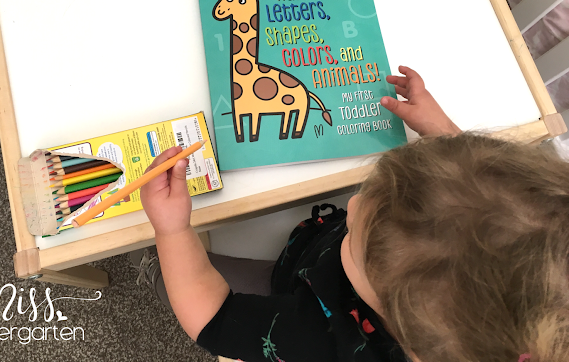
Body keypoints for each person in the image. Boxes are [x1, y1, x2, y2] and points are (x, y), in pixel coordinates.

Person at [137, 66, 569, 362]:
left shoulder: (322, 339)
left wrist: (172, 230)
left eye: (358, 235)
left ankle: (153, 270)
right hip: (316, 253)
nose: (355, 203)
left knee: (168, 269)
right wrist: (445, 139)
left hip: (292, 286)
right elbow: (484, 198)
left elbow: (212, 318)